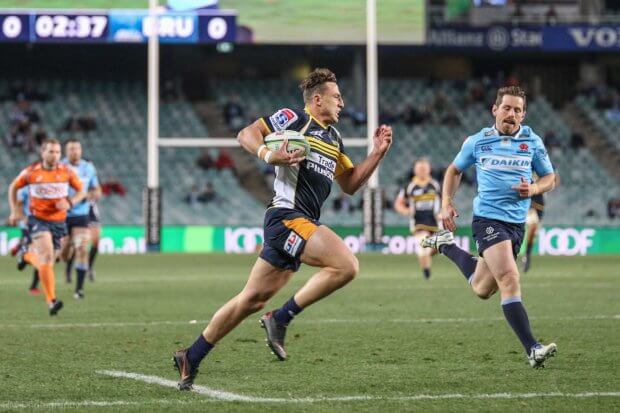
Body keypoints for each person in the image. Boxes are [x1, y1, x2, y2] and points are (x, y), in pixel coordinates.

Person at [172, 68, 393, 390]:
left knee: (251, 299)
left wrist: (376, 154)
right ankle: (282, 317)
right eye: (337, 97)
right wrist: (268, 154)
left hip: (299, 221)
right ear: (317, 100)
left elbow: (350, 184)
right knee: (346, 265)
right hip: (287, 216)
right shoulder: (292, 118)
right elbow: (246, 134)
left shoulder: (334, 139)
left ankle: (191, 355)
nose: (343, 103)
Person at [422, 86, 558, 368]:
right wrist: (446, 202)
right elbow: (453, 170)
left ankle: (445, 245)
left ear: (524, 114)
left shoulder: (532, 141)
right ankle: (532, 348)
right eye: (506, 108)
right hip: (487, 219)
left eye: (517, 110)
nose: (511, 114)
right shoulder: (478, 141)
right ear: (495, 110)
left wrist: (533, 187)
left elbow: (550, 178)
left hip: (516, 224)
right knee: (510, 277)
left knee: (483, 288)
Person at [8, 138, 85, 315]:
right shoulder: (32, 172)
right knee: (48, 256)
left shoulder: (66, 171)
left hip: (59, 222)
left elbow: (81, 191)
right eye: (51, 151)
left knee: (53, 260)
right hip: (38, 220)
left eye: (58, 152)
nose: (55, 155)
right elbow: (13, 186)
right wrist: (14, 211)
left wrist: (70, 202)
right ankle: (52, 301)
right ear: (42, 153)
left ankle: (26, 255)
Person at [60, 139, 101, 298]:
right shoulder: (60, 167)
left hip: (81, 215)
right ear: (65, 151)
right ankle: (67, 267)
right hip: (62, 216)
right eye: (71, 149)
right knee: (64, 253)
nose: (74, 152)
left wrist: (93, 194)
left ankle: (79, 289)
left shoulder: (88, 168)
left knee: (82, 248)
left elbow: (97, 189)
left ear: (81, 150)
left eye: (77, 148)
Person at [394, 158, 441, 280]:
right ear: (415, 170)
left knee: (440, 246)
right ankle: (426, 271)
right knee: (423, 244)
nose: (422, 171)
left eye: (424, 168)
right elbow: (399, 203)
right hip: (418, 222)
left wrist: (443, 211)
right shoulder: (409, 186)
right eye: (420, 168)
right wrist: (405, 210)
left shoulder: (435, 185)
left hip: (435, 221)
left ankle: (426, 258)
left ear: (429, 169)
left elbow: (445, 201)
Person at [522, 174, 559, 273]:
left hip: (540, 204)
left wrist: (547, 182)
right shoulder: (526, 162)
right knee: (532, 226)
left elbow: (556, 181)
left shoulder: (546, 166)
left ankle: (527, 255)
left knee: (533, 234)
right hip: (528, 201)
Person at [12, 187, 41, 295]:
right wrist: (23, 218)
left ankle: (23, 254)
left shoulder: (47, 184)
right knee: (38, 254)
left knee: (41, 255)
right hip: (28, 225)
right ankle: (23, 253)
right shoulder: (25, 188)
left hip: (44, 224)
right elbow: (18, 205)